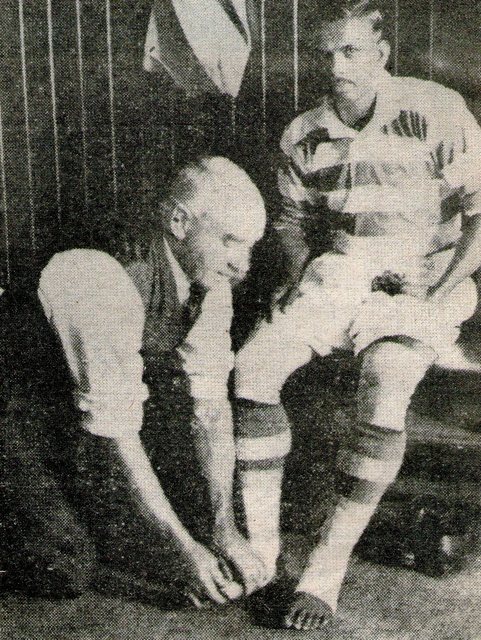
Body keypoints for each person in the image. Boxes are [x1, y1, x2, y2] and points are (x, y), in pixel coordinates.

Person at [234, 0, 481, 631]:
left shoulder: (437, 111)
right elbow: (291, 224)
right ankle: (263, 557)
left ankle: (324, 570)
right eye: (324, 53)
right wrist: (295, 276)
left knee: (386, 381)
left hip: (427, 276)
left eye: (350, 50)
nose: (336, 65)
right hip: (338, 272)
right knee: (251, 370)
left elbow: (480, 218)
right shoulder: (302, 133)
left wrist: (432, 295)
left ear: (381, 53)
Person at [0, 156, 267, 605]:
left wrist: (223, 529)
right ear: (179, 221)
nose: (241, 265)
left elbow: (209, 408)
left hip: (67, 407)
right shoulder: (98, 274)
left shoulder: (209, 282)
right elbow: (115, 428)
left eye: (250, 248)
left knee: (166, 525)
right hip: (11, 410)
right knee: (67, 563)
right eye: (229, 242)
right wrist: (185, 551)